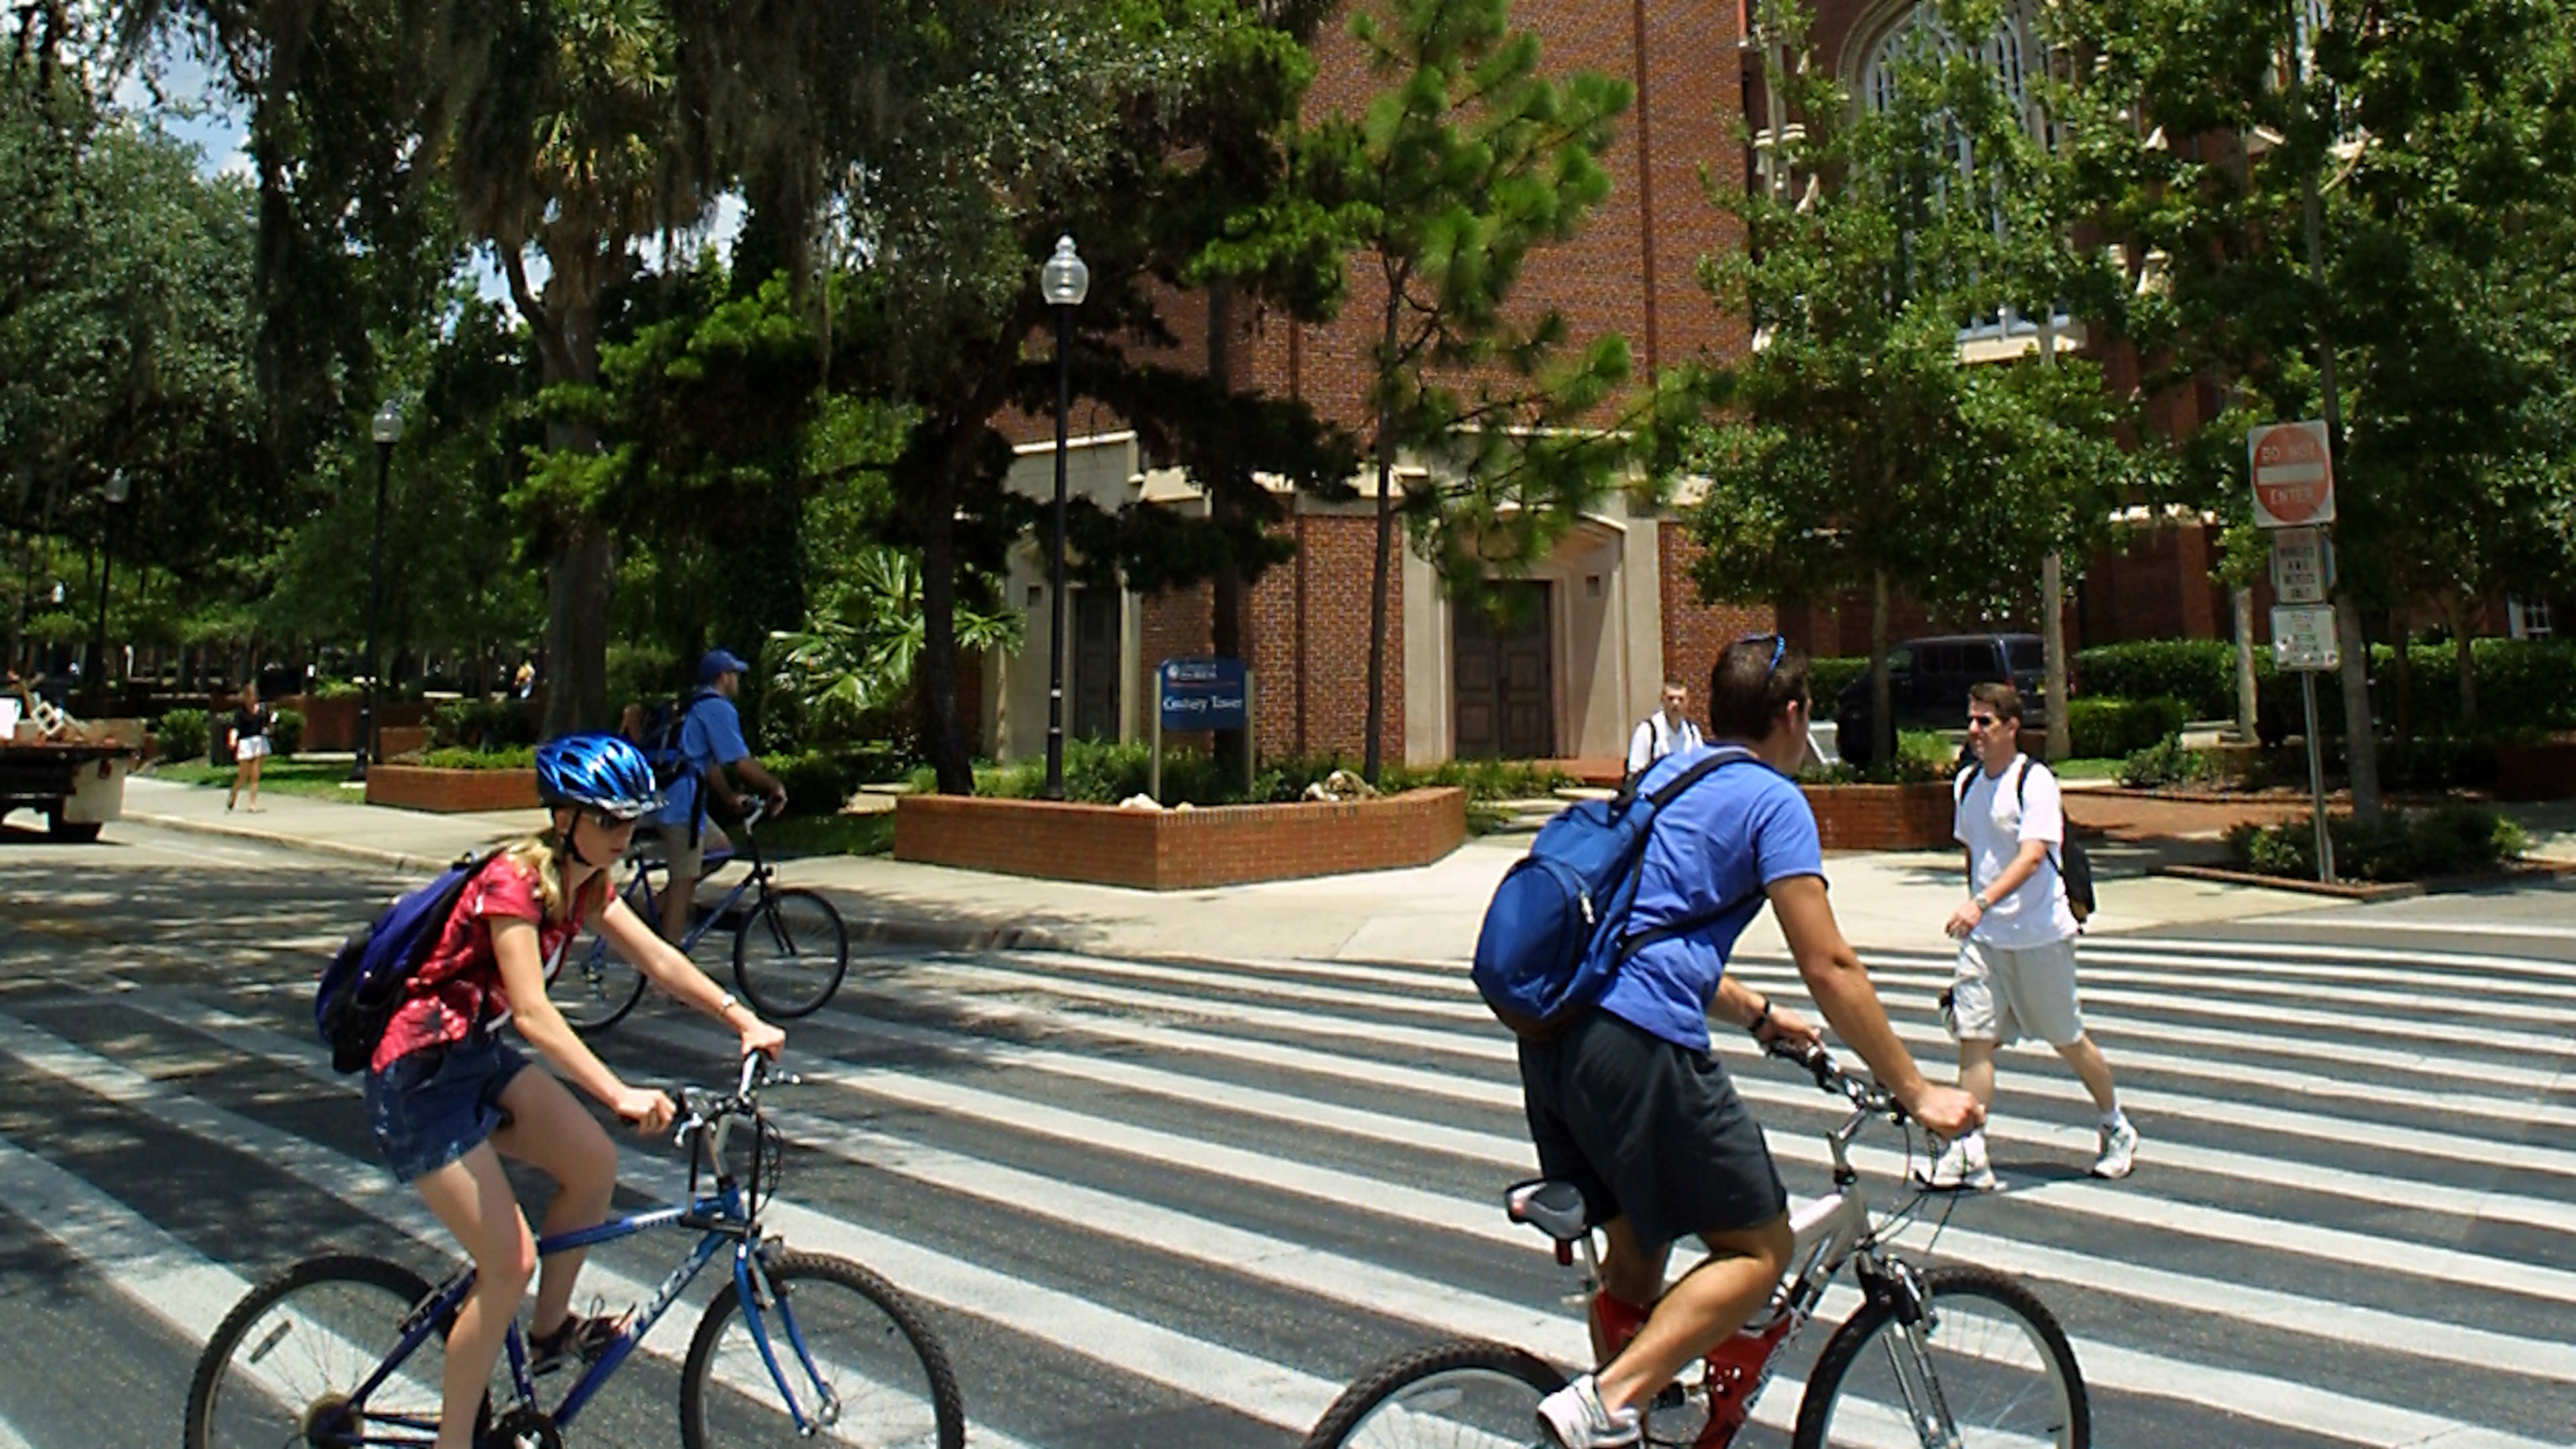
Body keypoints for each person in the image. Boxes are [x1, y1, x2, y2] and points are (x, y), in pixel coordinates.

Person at [1529, 634, 1983, 1449]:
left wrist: (1756, 1017)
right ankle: (1608, 1398)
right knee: (1760, 1248)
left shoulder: (1663, 778)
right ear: (1794, 714)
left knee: (1639, 1244)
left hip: (1560, 1041)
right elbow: (1831, 965)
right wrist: (1916, 1090)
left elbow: (1643, 933)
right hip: (1639, 1046)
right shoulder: (1773, 801)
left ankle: (1621, 1428)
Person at [364, 733, 786, 1449]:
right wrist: (617, 1092)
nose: (625, 836)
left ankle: (551, 1331)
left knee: (592, 1164)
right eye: (610, 822)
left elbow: (653, 955)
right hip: (418, 1075)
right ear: (565, 820)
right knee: (509, 1263)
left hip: (472, 1056)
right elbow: (532, 1013)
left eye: (631, 822)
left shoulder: (584, 881)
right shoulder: (513, 883)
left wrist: (739, 1015)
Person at [1922, 681, 2137, 1190]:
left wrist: (1980, 902)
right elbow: (1974, 855)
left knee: (2067, 1037)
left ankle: (2116, 1125)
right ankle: (1970, 1148)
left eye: (1985, 721)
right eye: (1971, 720)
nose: (1974, 731)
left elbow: (2033, 854)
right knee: (1974, 1039)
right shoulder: (1967, 785)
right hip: (1986, 942)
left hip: (2039, 933)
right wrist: (1976, 907)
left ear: (2011, 726)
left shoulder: (2034, 781)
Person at [649, 649, 789, 948]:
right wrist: (774, 786)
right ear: (723, 677)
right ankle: (667, 973)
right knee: (682, 883)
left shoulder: (692, 704)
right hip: (680, 806)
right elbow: (740, 761)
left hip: (675, 798)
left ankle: (655, 908)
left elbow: (707, 763)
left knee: (721, 849)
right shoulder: (718, 708)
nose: (737, 680)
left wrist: (728, 797)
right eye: (735, 674)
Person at [1625, 679, 1704, 777]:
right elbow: (1635, 773)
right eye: (1671, 699)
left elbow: (1700, 766)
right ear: (1663, 700)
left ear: (1687, 702)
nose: (1676, 704)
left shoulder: (1693, 732)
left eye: (1681, 699)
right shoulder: (1647, 731)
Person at [225, 682, 272, 812]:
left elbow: (268, 724)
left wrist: (271, 727)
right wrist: (233, 739)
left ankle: (252, 803)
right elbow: (236, 728)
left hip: (259, 741)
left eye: (254, 696)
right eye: (249, 696)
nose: (252, 699)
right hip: (246, 742)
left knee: (255, 775)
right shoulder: (240, 712)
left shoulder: (262, 709)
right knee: (243, 775)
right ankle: (234, 794)